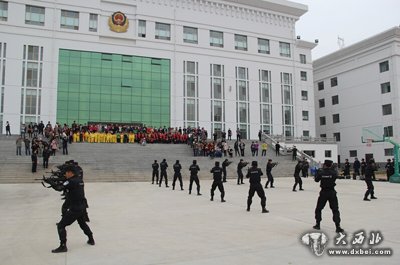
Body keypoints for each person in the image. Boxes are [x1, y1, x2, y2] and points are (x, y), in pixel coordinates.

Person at [50, 164, 94, 253]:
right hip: (82, 207)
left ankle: (63, 246)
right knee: (82, 224)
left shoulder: (71, 181)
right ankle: (91, 239)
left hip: (75, 208)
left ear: (70, 172)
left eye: (66, 172)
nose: (65, 174)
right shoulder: (79, 180)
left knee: (61, 226)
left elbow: (59, 188)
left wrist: (51, 183)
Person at [313, 159, 344, 233]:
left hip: (323, 192)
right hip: (332, 192)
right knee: (335, 209)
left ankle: (318, 224)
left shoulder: (321, 172)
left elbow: (316, 180)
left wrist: (317, 173)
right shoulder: (333, 172)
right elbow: (336, 176)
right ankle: (338, 226)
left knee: (319, 209)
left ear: (325, 165)